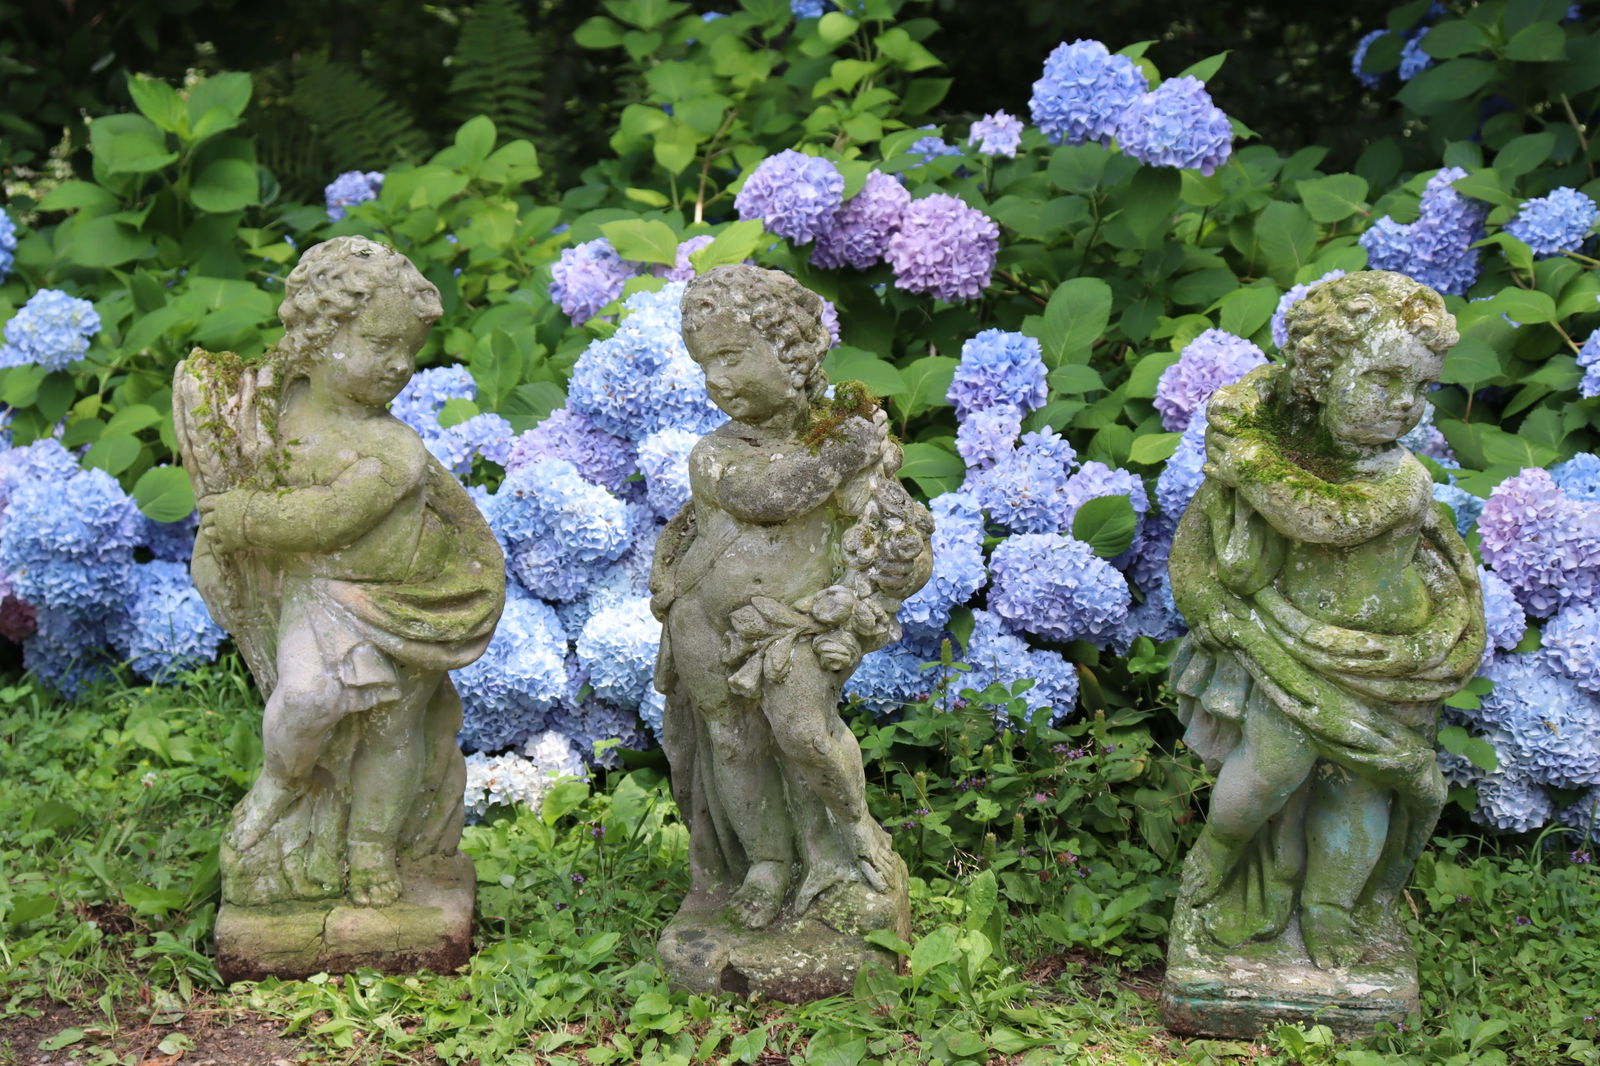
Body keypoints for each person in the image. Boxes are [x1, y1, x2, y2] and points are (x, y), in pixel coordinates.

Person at [1168, 271, 1485, 968]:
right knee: (1268, 771)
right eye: (1384, 379)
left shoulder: (1399, 479)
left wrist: (1249, 461)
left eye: (1422, 387)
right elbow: (1195, 547)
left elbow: (1327, 518)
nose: (1404, 404)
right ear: (1319, 376)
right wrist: (1207, 602)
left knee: (1359, 793)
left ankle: (1329, 908)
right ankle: (1218, 850)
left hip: (1382, 662)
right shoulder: (1272, 449)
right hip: (1288, 649)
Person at [183, 237, 504, 908]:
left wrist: (248, 519)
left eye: (409, 351)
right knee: (305, 699)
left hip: (402, 602)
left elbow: (332, 517)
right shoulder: (269, 406)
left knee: (393, 730)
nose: (399, 366)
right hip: (320, 595)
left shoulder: (393, 448)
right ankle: (280, 783)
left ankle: (373, 846)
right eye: (381, 345)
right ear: (317, 335)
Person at [649, 265, 932, 930]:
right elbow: (764, 498)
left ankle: (852, 831)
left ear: (793, 352)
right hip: (703, 619)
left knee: (805, 732)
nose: (717, 379)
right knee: (733, 742)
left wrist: (900, 562)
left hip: (798, 625)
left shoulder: (845, 434)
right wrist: (840, 458)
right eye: (704, 364)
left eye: (731, 357)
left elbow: (894, 530)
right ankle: (768, 863)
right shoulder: (716, 452)